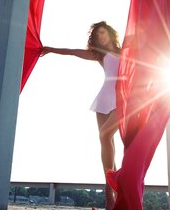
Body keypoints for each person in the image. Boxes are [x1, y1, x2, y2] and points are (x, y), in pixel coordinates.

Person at [41, 21, 121, 210]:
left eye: (103, 33)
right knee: (105, 142)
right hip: (104, 99)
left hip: (122, 100)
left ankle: (115, 193)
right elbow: (73, 51)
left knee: (105, 135)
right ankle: (111, 195)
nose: (100, 36)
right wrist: (52, 49)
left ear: (110, 34)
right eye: (97, 35)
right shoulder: (99, 55)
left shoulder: (126, 50)